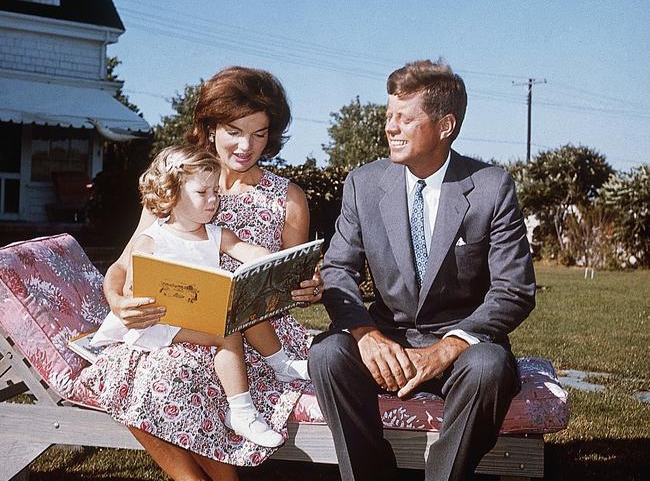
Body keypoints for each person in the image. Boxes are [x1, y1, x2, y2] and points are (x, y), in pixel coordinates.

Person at [78, 66, 321, 481]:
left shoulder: (288, 198)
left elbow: (288, 275)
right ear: (209, 128)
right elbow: (123, 265)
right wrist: (119, 302)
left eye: (260, 134)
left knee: (178, 372)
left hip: (257, 334)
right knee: (145, 369)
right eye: (234, 130)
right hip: (178, 323)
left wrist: (308, 287)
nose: (247, 145)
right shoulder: (176, 185)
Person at [309, 59, 536, 481]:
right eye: (388, 116)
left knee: (488, 367)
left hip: (463, 344)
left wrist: (449, 346)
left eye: (404, 118)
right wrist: (366, 335)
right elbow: (338, 269)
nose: (390, 128)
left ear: (445, 125)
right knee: (327, 354)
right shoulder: (363, 183)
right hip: (388, 338)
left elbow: (514, 290)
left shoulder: (491, 187)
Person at [91, 145, 310, 448]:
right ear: (172, 194)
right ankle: (242, 412)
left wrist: (270, 262)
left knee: (243, 311)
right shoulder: (152, 239)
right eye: (202, 193)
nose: (213, 200)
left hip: (197, 314)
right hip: (159, 322)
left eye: (215, 192)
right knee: (227, 333)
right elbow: (132, 287)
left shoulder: (215, 233)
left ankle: (281, 364)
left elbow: (248, 251)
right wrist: (134, 294)